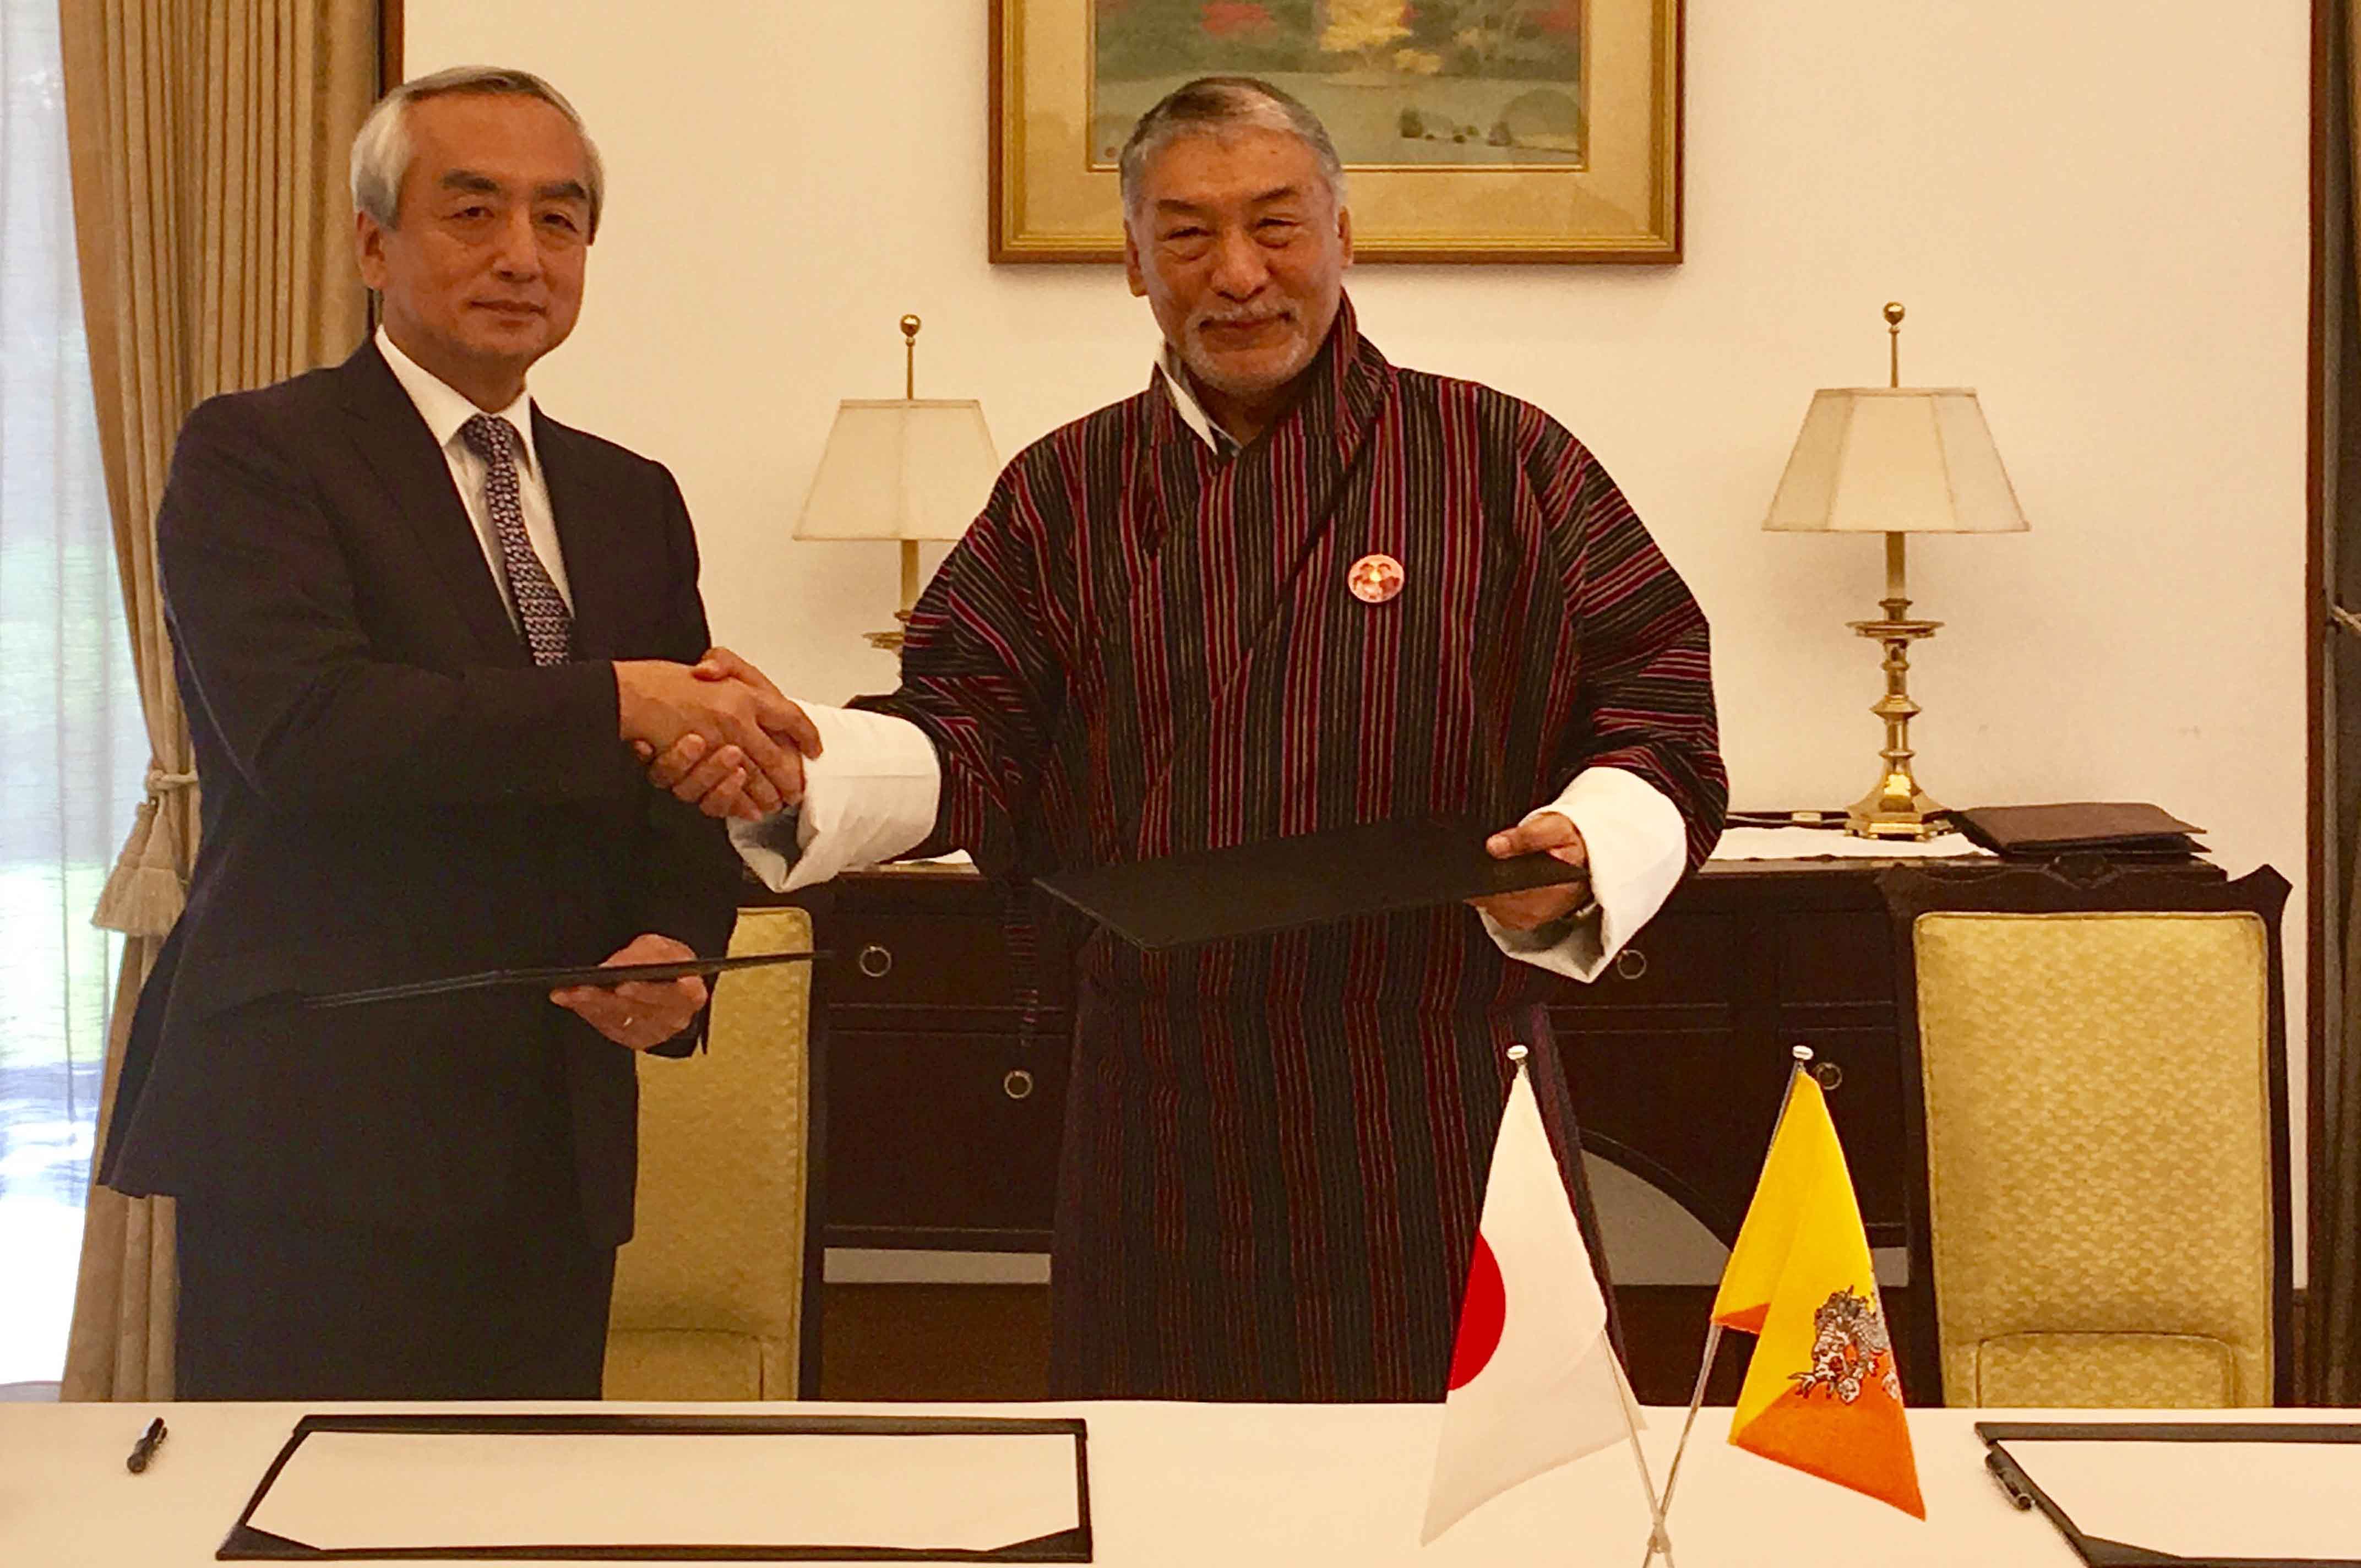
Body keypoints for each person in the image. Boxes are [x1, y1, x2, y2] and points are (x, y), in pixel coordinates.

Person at [662, 77, 1726, 1402]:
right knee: (1164, 1475)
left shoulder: (1501, 456)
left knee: (1479, 1480)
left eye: (1275, 225)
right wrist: (797, 761)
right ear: (1131, 259)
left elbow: (1659, 708)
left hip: (1435, 1076)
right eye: (1186, 234)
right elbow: (967, 732)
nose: (1237, 273)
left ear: (1343, 235)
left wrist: (1584, 846)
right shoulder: (1063, 488)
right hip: (1162, 1098)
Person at [97, 66, 818, 1401]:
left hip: (554, 1137)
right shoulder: (257, 453)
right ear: (373, 244)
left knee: (529, 1500)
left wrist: (678, 942)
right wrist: (619, 696)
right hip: (319, 1131)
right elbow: (309, 730)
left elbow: (674, 793)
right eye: (472, 211)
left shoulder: (631, 496)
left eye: (560, 219)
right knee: (304, 1500)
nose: (522, 254)